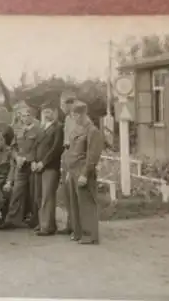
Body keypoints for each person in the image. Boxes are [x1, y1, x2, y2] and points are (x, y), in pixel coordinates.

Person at [65, 101, 103, 245]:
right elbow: (71, 151)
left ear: (82, 114)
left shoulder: (92, 131)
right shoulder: (77, 129)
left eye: (75, 115)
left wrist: (85, 174)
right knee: (75, 203)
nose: (74, 118)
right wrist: (69, 171)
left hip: (82, 170)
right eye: (73, 115)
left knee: (86, 203)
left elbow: (93, 155)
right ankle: (78, 232)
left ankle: (90, 235)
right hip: (73, 170)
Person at [0, 106, 41, 230]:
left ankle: (35, 220)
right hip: (20, 165)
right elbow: (13, 147)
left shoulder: (39, 130)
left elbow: (39, 148)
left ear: (33, 116)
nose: (25, 118)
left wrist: (28, 159)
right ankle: (12, 219)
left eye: (28, 115)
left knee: (34, 193)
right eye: (22, 116)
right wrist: (17, 157)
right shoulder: (19, 131)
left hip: (33, 165)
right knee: (17, 191)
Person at [32, 100, 64, 236]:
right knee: (38, 196)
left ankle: (47, 226)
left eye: (49, 112)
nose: (46, 114)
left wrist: (43, 163)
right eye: (44, 112)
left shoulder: (58, 128)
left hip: (50, 167)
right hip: (37, 166)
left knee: (47, 196)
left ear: (55, 113)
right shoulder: (41, 127)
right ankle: (42, 223)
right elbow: (34, 146)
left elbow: (56, 149)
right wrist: (33, 161)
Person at [56, 92, 77, 235]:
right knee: (67, 192)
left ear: (69, 103)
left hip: (75, 157)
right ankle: (70, 223)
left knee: (75, 192)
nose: (61, 107)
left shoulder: (77, 118)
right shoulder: (68, 119)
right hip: (66, 155)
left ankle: (77, 226)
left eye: (62, 104)